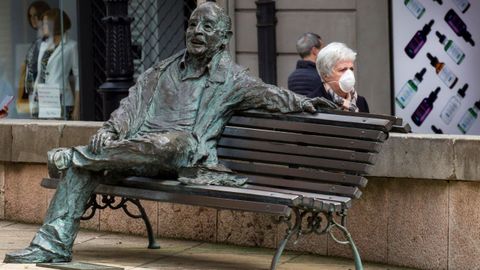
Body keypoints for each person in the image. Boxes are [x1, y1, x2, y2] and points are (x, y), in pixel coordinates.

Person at [4, 2, 337, 264]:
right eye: (193, 24)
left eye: (208, 27)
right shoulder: (160, 70)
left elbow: (271, 95)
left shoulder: (232, 78)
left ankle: (72, 156)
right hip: (134, 151)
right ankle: (51, 246)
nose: (198, 31)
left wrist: (308, 103)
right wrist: (109, 130)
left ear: (223, 38)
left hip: (182, 153)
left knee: (167, 143)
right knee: (84, 167)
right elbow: (128, 108)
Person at [30, 8, 79, 120]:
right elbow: (40, 76)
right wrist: (34, 103)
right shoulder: (43, 46)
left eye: (47, 23)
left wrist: (77, 107)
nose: (44, 26)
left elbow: (78, 78)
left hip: (62, 101)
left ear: (56, 24)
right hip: (43, 99)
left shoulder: (71, 46)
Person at [16, 1, 50, 115]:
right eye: (30, 16)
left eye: (36, 15)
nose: (33, 19)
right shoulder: (35, 45)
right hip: (32, 98)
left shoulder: (51, 43)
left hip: (48, 97)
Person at [316, 42, 369, 113]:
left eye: (351, 69)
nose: (349, 74)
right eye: (343, 70)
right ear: (325, 75)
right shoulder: (314, 103)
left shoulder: (361, 102)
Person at [287, 32, 326, 98]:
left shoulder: (291, 77)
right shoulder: (320, 76)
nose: (324, 51)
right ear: (314, 50)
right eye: (322, 48)